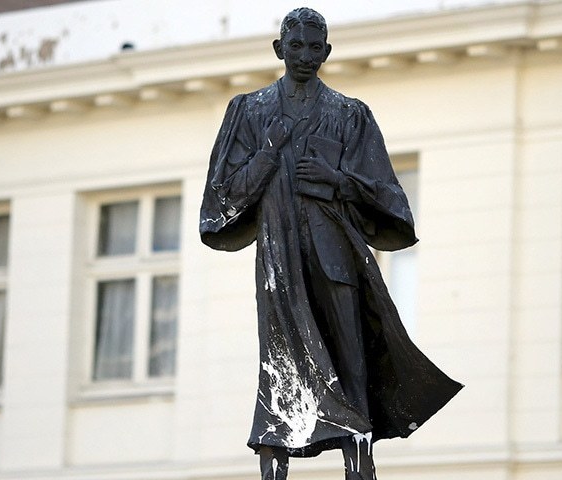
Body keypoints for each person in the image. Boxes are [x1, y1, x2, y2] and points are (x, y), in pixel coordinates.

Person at [199, 8, 462, 480]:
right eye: (295, 46)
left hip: (336, 261)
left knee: (350, 365)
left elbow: (390, 199)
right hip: (280, 263)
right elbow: (223, 197)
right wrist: (267, 154)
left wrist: (337, 180)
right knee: (280, 366)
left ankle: (361, 471)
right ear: (279, 50)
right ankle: (272, 471)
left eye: (314, 46)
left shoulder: (350, 114)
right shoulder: (250, 111)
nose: (305, 55)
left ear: (327, 51)